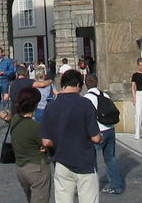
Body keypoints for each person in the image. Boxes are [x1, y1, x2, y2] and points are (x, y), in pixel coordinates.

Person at [40, 69, 102, 203]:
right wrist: (100, 137)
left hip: (61, 162)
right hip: (85, 162)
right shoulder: (85, 104)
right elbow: (96, 138)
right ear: (79, 85)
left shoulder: (51, 106)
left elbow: (45, 141)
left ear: (63, 84)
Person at [84, 74, 124, 195]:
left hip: (98, 131)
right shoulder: (105, 95)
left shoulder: (87, 98)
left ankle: (90, 187)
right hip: (110, 129)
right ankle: (116, 186)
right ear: (97, 83)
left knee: (90, 159)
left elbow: (87, 117)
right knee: (111, 159)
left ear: (86, 84)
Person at [11, 87, 51, 203]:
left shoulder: (15, 120)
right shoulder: (35, 127)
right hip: (37, 168)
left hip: (21, 168)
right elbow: (47, 143)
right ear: (35, 105)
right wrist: (46, 149)